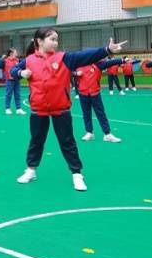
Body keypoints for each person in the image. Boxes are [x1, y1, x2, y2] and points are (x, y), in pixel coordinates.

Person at [12, 28, 127, 191]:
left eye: (57, 39)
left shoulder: (64, 58)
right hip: (38, 109)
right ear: (39, 41)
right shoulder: (29, 60)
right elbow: (12, 71)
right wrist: (20, 72)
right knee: (36, 141)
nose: (56, 42)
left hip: (61, 109)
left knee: (67, 142)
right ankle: (31, 170)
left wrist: (107, 50)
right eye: (52, 39)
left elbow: (86, 56)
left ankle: (77, 174)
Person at [74, 59, 123, 143]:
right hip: (83, 94)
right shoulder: (78, 66)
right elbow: (68, 71)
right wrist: (75, 74)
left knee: (100, 113)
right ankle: (89, 132)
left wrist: (121, 60)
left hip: (95, 94)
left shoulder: (97, 65)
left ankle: (107, 134)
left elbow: (110, 63)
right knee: (86, 114)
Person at [0, 49, 25, 115]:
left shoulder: (18, 60)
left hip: (17, 80)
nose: (17, 53)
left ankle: (18, 109)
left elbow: (24, 65)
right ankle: (7, 108)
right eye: (15, 52)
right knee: (8, 94)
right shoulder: (5, 61)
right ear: (11, 53)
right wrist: (2, 59)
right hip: (9, 80)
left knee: (17, 94)